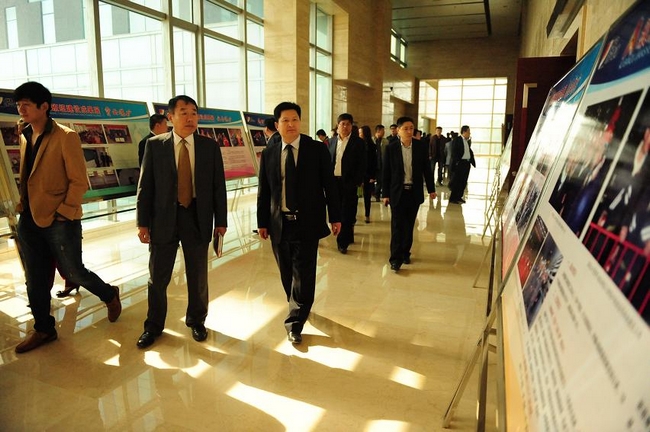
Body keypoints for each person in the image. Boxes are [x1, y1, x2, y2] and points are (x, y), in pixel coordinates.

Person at [13, 81, 122, 354]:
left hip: (60, 219)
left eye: (26, 104)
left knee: (73, 271)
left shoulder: (66, 136)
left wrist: (63, 212)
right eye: (19, 105)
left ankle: (109, 294)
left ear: (44, 107)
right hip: (29, 219)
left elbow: (79, 181)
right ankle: (44, 329)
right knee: (35, 279)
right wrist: (23, 204)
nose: (21, 109)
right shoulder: (25, 135)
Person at [136, 95, 228, 349]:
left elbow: (218, 186)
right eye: (184, 112)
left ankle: (197, 320)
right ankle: (153, 326)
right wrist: (142, 222)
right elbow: (145, 186)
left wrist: (221, 221)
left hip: (197, 217)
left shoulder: (209, 147)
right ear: (170, 117)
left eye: (194, 113)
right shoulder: (155, 146)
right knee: (158, 277)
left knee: (197, 275)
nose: (190, 118)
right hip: (163, 219)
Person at [256, 101, 341, 344]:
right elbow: (264, 190)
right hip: (279, 222)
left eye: (295, 119)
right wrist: (262, 222)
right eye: (285, 120)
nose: (291, 124)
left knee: (303, 272)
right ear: (277, 125)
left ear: (300, 122)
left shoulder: (316, 149)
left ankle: (295, 321)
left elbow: (329, 185)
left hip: (307, 221)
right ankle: (297, 304)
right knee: (286, 271)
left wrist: (335, 216)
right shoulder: (270, 153)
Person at [382, 116, 436, 271]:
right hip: (397, 192)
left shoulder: (420, 146)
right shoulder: (391, 148)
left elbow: (427, 169)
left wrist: (431, 189)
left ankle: (405, 252)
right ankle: (395, 258)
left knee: (409, 225)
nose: (409, 131)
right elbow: (386, 172)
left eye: (411, 128)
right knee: (397, 226)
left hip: (414, 192)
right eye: (405, 128)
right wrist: (385, 194)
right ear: (398, 130)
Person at [328, 113, 366, 254]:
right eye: (342, 124)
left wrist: (357, 181)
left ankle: (342, 242)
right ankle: (346, 236)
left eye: (348, 124)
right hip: (334, 182)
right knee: (336, 211)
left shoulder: (358, 143)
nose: (345, 127)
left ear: (351, 126)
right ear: (337, 126)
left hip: (349, 183)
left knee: (348, 211)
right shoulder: (331, 141)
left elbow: (362, 164)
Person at [448, 125, 475, 204]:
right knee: (457, 181)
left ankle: (459, 196)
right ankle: (453, 198)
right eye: (468, 132)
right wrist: (457, 162)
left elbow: (468, 151)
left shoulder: (467, 141)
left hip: (466, 163)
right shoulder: (457, 140)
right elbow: (454, 152)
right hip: (460, 164)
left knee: (463, 181)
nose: (469, 133)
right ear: (464, 132)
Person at [359, 125, 377, 223]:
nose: (359, 134)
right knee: (355, 196)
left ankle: (367, 215)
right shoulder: (357, 144)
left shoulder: (372, 146)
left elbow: (374, 162)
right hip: (358, 174)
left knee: (367, 196)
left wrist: (373, 176)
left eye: (360, 133)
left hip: (368, 174)